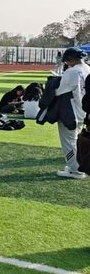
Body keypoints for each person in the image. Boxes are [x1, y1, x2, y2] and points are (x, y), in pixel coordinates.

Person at [54, 47, 90, 179]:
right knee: (78, 140)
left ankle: (75, 170)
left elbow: (59, 91)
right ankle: (78, 166)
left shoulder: (71, 72)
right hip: (84, 111)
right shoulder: (87, 68)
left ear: (69, 60)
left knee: (69, 142)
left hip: (71, 110)